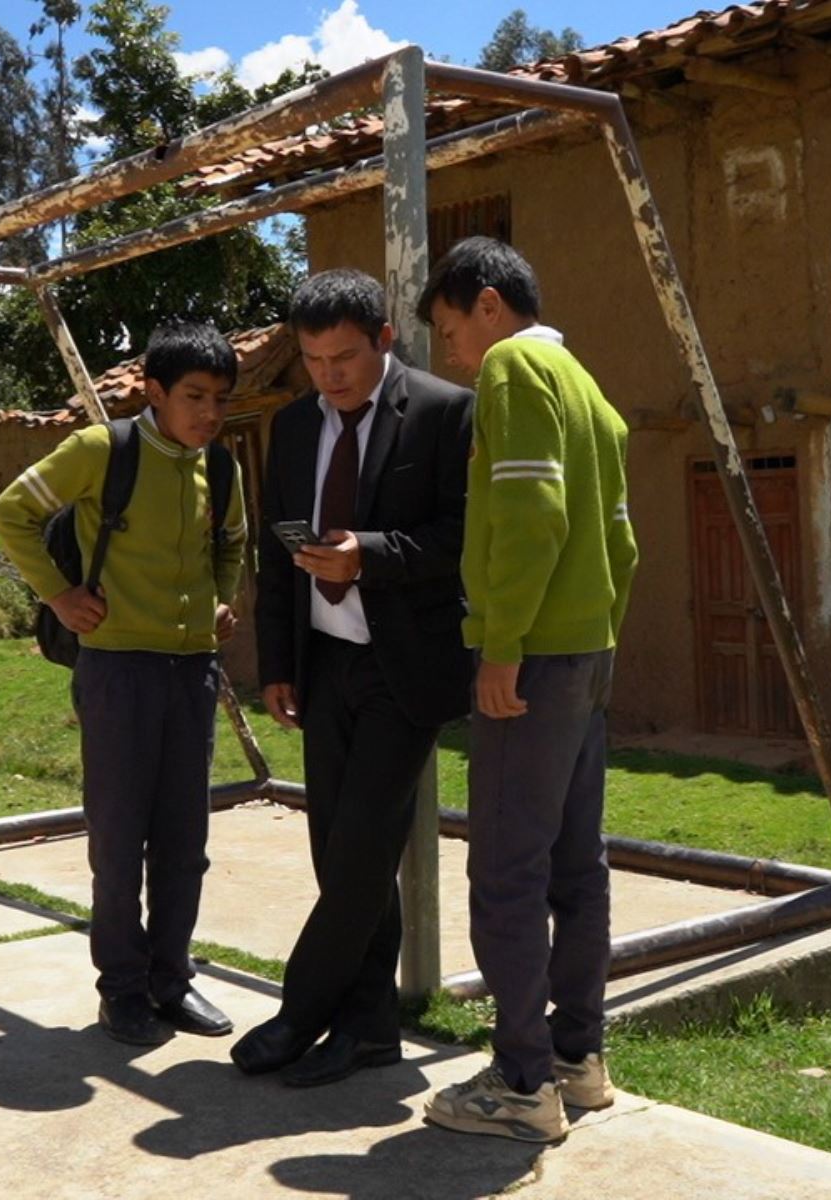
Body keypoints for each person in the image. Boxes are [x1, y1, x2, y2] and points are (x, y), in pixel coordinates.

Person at [415, 238, 638, 1143]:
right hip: (587, 652)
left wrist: (502, 646)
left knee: (506, 869)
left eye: (448, 328)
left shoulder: (512, 370)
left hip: (533, 656)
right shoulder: (587, 388)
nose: (451, 353)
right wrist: (598, 634)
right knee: (577, 864)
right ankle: (578, 1060)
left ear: (489, 304)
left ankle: (520, 1084)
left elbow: (530, 516)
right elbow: (621, 539)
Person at [231, 269, 474, 1086]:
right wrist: (277, 664)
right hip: (323, 661)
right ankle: (369, 1030)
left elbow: (462, 537)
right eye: (312, 359)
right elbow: (275, 554)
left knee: (364, 849)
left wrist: (367, 554)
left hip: (405, 670)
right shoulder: (296, 424)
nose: (328, 375)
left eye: (343, 357)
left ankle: (301, 1012)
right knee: (340, 853)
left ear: (384, 339)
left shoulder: (444, 412)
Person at [0, 322, 248, 1047]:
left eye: (220, 399)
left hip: (192, 673)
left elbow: (234, 540)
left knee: (184, 841)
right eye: (194, 396)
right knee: (119, 839)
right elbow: (13, 512)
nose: (208, 413)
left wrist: (221, 599)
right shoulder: (102, 449)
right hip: (117, 672)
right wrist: (59, 596)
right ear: (155, 392)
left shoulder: (220, 466)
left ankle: (173, 979)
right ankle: (123, 989)